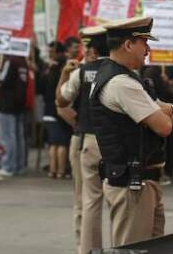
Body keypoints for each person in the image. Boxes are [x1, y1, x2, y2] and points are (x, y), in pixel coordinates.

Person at [90, 17, 173, 247]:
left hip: (139, 180)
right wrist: (170, 109)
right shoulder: (122, 83)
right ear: (128, 45)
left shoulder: (121, 76)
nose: (148, 50)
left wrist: (164, 110)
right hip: (133, 184)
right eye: (144, 43)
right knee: (134, 248)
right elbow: (164, 126)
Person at [57, 26, 108, 254]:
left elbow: (61, 101)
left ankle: (86, 248)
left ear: (93, 50)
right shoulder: (123, 71)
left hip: (84, 139)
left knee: (86, 200)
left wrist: (64, 74)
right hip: (113, 141)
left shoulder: (82, 72)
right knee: (121, 201)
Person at [0, 54, 30, 178]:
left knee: (8, 136)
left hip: (7, 103)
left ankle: (8, 166)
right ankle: (19, 166)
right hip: (19, 103)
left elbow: (2, 80)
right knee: (18, 136)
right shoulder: (23, 62)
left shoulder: (10, 61)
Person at [42, 42, 72, 179]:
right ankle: (61, 171)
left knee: (53, 143)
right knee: (62, 144)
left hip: (47, 112)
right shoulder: (62, 80)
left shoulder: (47, 75)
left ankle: (52, 170)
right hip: (58, 113)